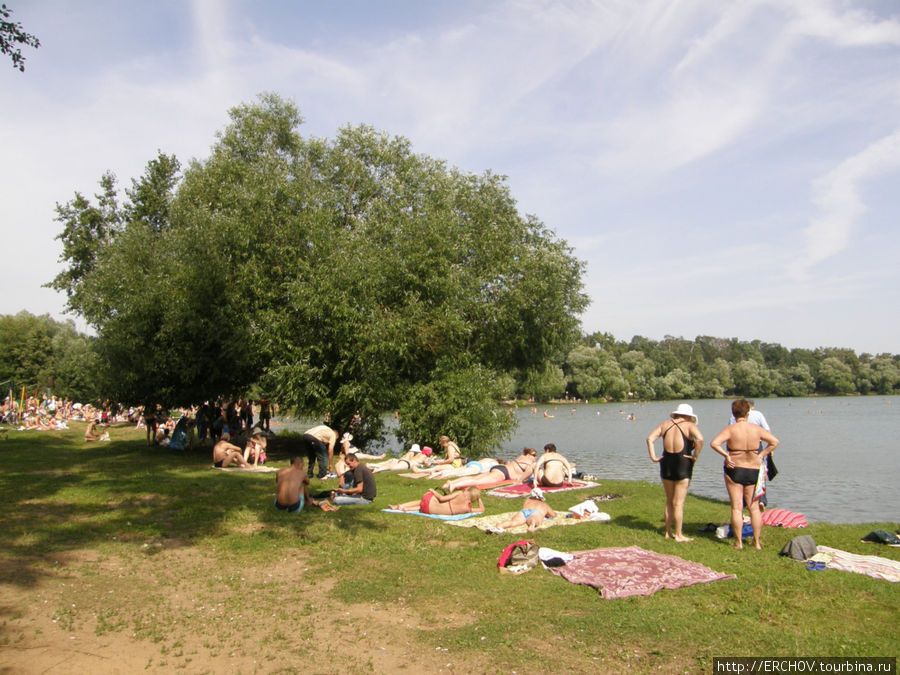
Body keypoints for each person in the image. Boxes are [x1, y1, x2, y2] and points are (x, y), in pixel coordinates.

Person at [710, 399, 780, 550]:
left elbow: (714, 443)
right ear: (748, 413)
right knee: (753, 507)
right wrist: (762, 455)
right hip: (753, 469)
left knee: (736, 507)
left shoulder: (731, 429)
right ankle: (756, 542)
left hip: (735, 468)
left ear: (733, 414)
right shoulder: (756, 429)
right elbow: (774, 441)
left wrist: (726, 455)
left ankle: (739, 542)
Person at [646, 403, 704, 542]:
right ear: (689, 416)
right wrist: (695, 456)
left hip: (666, 462)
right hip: (682, 462)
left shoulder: (665, 425)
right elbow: (700, 439)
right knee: (678, 502)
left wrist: (653, 457)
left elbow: (650, 438)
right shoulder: (690, 426)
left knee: (669, 501)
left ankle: (668, 532)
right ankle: (678, 535)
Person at [730, 399, 775, 509]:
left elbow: (730, 431)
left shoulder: (733, 416)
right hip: (756, 446)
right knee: (759, 473)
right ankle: (761, 500)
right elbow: (767, 430)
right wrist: (768, 449)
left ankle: (744, 502)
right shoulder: (758, 414)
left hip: (738, 447)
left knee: (741, 471)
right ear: (751, 408)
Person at [442, 448, 537, 492]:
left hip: (500, 468)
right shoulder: (530, 463)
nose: (535, 458)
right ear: (529, 455)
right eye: (534, 456)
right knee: (478, 481)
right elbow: (527, 474)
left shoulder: (521, 457)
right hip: (503, 474)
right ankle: (454, 485)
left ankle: (451, 482)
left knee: (476, 478)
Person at [489, 488, 557, 533]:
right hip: (536, 513)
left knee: (513, 522)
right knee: (534, 521)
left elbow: (524, 507)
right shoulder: (543, 505)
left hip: (524, 512)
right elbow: (553, 515)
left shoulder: (527, 501)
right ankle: (532, 525)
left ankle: (500, 526)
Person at [389, 486, 484, 515]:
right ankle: (404, 508)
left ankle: (400, 506)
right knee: (426, 505)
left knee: (424, 501)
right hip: (427, 510)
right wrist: (478, 497)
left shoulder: (460, 493)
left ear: (467, 490)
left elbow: (441, 498)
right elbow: (482, 509)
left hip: (427, 503)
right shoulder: (467, 508)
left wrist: (433, 492)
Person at [367, 444, 431, 472]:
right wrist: (431, 459)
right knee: (390, 467)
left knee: (389, 465)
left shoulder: (419, 454)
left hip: (404, 461)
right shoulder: (425, 457)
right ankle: (375, 470)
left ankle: (373, 467)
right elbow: (428, 464)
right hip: (407, 464)